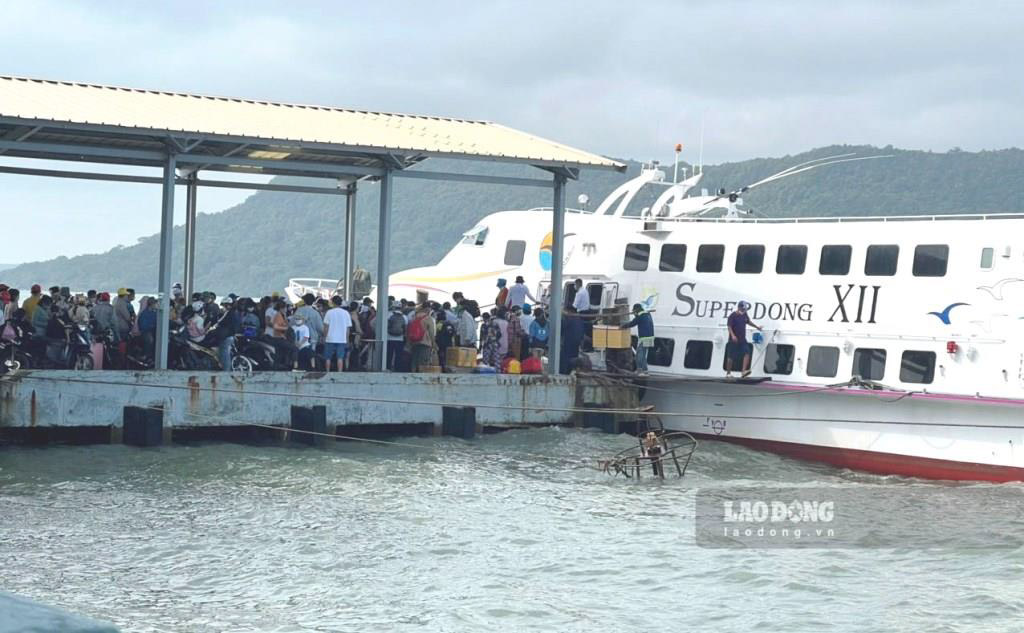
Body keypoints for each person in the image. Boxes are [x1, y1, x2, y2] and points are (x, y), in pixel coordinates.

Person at [726, 300, 762, 378]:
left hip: (742, 338)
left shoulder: (745, 314)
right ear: (739, 307)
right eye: (742, 308)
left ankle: (743, 372)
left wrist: (757, 327)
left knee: (747, 352)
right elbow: (729, 326)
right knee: (731, 356)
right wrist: (733, 335)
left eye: (744, 309)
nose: (744, 310)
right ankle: (728, 373)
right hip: (734, 339)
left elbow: (748, 322)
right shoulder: (732, 316)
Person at [621, 303, 655, 375]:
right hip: (651, 337)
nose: (634, 313)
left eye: (634, 312)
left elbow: (632, 323)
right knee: (643, 355)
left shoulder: (640, 316)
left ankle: (639, 370)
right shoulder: (648, 314)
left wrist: (623, 326)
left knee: (639, 355)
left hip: (644, 338)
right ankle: (645, 370)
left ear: (636, 311)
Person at [293, 293, 325, 369]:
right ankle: (311, 370)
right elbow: (320, 328)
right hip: (312, 339)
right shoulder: (315, 313)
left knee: (299, 356)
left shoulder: (298, 311)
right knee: (311, 357)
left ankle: (298, 369)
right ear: (313, 302)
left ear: (304, 301)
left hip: (298, 338)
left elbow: (293, 323)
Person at [322, 296, 352, 372]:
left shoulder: (329, 312)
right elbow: (348, 328)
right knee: (340, 358)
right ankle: (339, 372)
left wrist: (324, 337)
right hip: (342, 339)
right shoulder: (346, 313)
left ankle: (327, 371)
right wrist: (347, 339)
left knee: (328, 357)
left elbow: (326, 327)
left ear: (333, 303)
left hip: (330, 338)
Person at [407, 300, 437, 372]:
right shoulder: (428, 318)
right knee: (423, 362)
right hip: (425, 343)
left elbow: (408, 330)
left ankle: (413, 375)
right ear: (428, 309)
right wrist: (434, 343)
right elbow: (431, 332)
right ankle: (421, 377)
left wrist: (409, 343)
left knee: (414, 360)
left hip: (414, 342)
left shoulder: (414, 317)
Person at [385, 300, 406, 371]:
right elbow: (405, 328)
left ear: (393, 307)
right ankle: (398, 369)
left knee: (389, 354)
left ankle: (388, 367)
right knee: (398, 355)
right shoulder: (404, 317)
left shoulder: (388, 315)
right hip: (400, 339)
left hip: (389, 338)